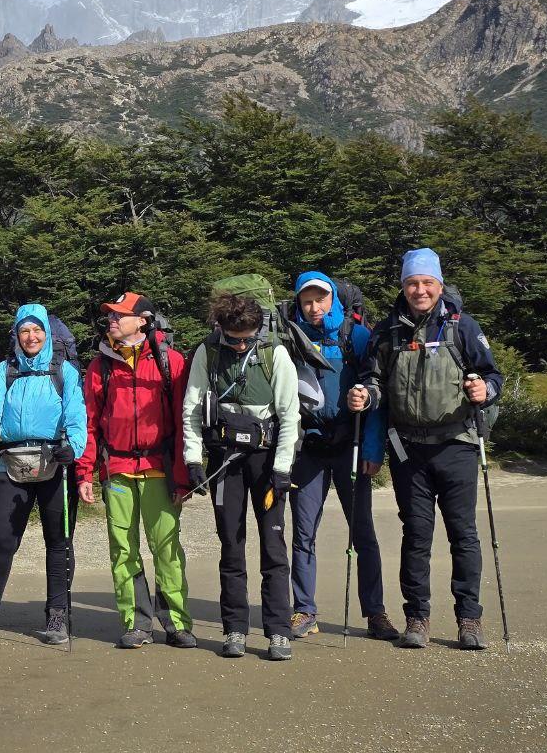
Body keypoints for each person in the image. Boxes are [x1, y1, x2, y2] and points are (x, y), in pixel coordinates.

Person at [348, 248, 503, 650]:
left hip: (457, 445)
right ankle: (416, 618)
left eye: (427, 283)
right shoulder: (388, 331)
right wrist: (367, 394)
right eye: (412, 283)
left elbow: (492, 375)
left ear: (439, 285)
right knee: (416, 535)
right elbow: (375, 380)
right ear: (403, 286)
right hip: (408, 451)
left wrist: (484, 390)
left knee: (463, 535)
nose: (419, 290)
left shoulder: (462, 327)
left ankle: (469, 620)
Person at [182, 291, 301, 660]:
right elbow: (192, 408)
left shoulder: (274, 353)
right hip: (224, 457)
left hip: (265, 461)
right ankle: (234, 628)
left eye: (248, 336)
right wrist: (192, 459)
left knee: (273, 545)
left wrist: (282, 468)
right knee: (231, 546)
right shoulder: (208, 351)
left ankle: (278, 631)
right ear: (222, 328)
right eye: (235, 338)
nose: (242, 344)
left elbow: (290, 415)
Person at [0, 304, 87, 648]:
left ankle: (57, 616)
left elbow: (77, 416)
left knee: (59, 543)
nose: (31, 337)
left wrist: (73, 447)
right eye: (24, 331)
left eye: (37, 331)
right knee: (1, 541)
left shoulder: (65, 373)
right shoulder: (5, 371)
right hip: (12, 463)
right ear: (16, 336)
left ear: (47, 334)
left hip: (55, 462)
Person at [78, 292, 196, 650]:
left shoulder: (170, 362)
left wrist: (183, 475)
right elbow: (90, 424)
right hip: (117, 470)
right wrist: (85, 472)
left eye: (120, 315)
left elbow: (182, 423)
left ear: (142, 320)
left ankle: (176, 623)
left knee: (166, 548)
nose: (112, 320)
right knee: (122, 550)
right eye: (110, 316)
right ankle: (136, 623)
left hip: (159, 469)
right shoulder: (101, 365)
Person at [286, 272, 399, 641]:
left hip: (351, 447)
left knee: (362, 532)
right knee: (303, 533)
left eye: (320, 299)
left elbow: (377, 396)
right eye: (307, 301)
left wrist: (371, 449)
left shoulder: (357, 336)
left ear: (332, 299)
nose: (314, 307)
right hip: (310, 448)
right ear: (299, 303)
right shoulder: (290, 339)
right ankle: (304, 611)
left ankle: (376, 613)